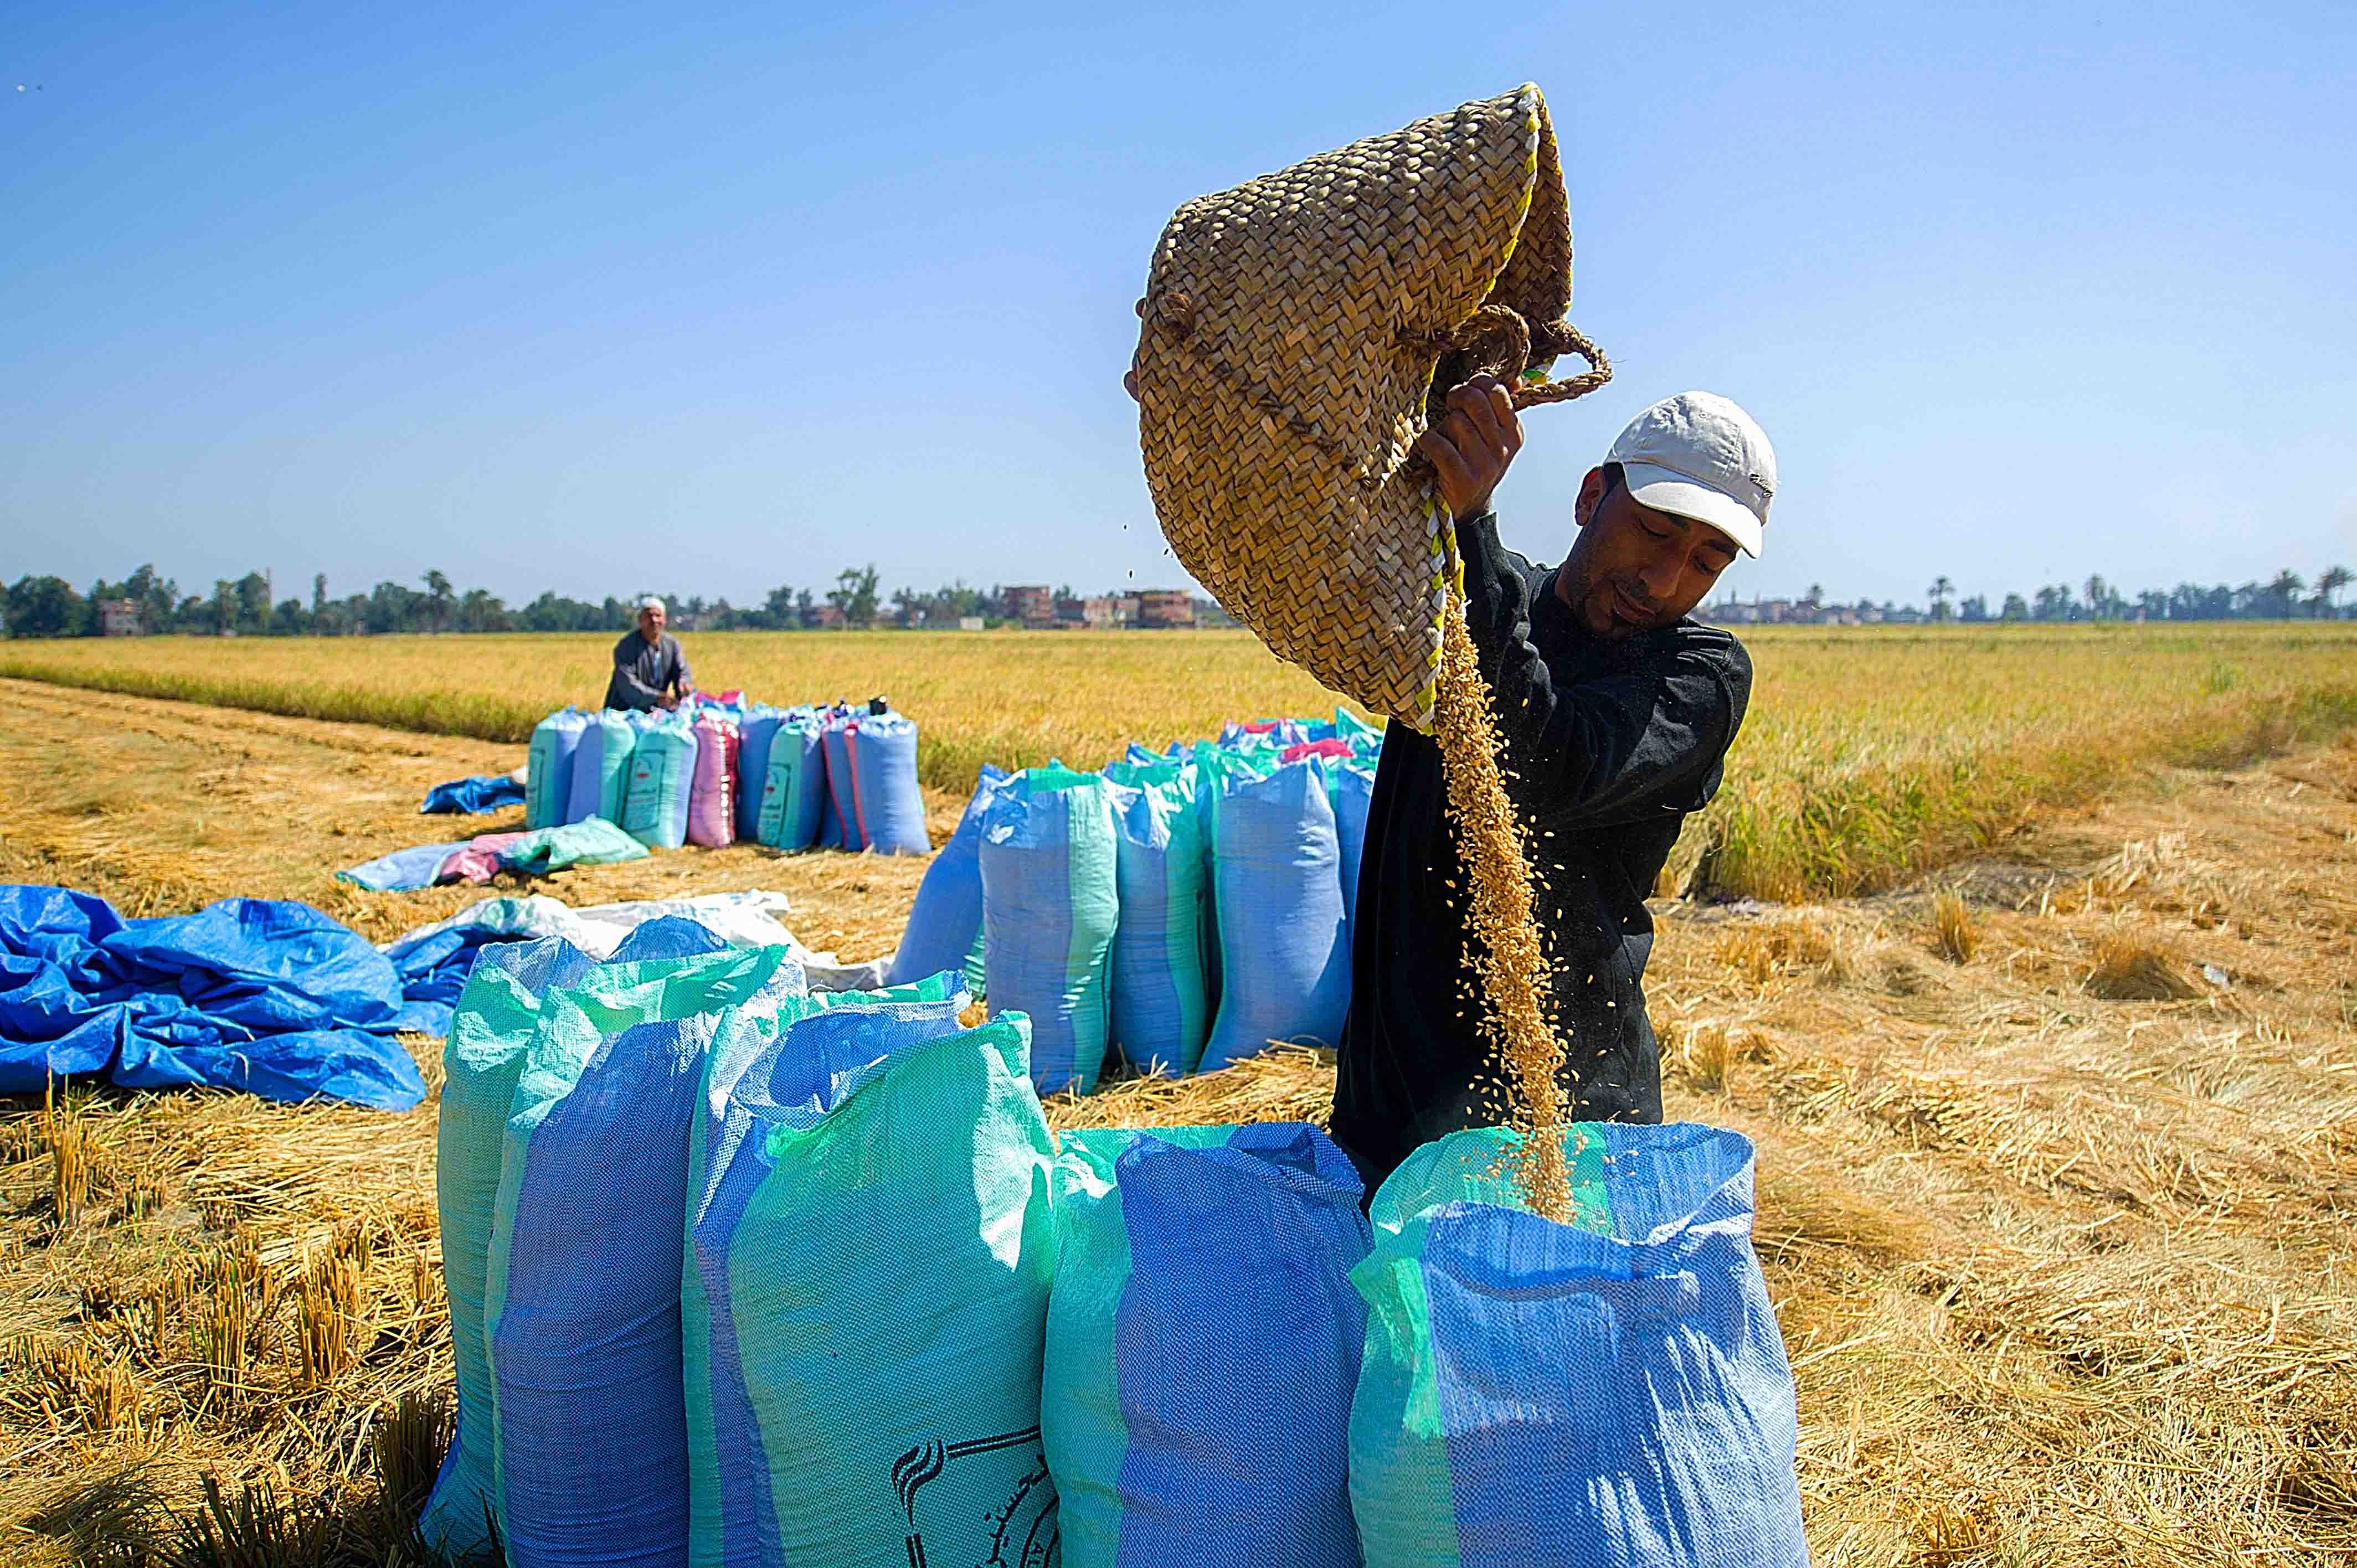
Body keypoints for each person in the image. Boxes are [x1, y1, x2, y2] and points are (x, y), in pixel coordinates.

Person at [1330, 383, 1776, 1190]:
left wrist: (1471, 529)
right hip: (1388, 1098)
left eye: (1706, 560)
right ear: (1591, 495)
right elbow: (1339, 563)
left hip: (1562, 1119)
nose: (1667, 577)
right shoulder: (1469, 594)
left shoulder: (1699, 676)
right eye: (1655, 531)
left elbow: (1538, 762)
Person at [605, 596, 694, 712]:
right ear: (640, 620)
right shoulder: (626, 647)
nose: (654, 620)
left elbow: (682, 670)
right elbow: (628, 684)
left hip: (655, 712)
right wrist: (656, 697)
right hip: (623, 712)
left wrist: (684, 684)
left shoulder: (672, 645)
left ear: (664, 619)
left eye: (658, 616)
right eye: (649, 616)